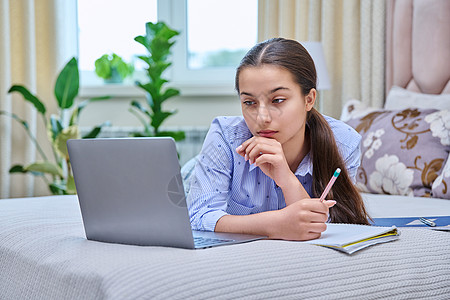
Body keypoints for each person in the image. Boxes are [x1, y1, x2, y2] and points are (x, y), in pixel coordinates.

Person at [187, 38, 370, 241]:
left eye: (278, 100)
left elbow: (332, 228)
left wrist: (287, 179)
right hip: (191, 177)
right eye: (249, 102)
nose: (262, 118)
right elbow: (198, 216)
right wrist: (274, 225)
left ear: (309, 99)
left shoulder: (344, 142)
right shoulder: (225, 136)